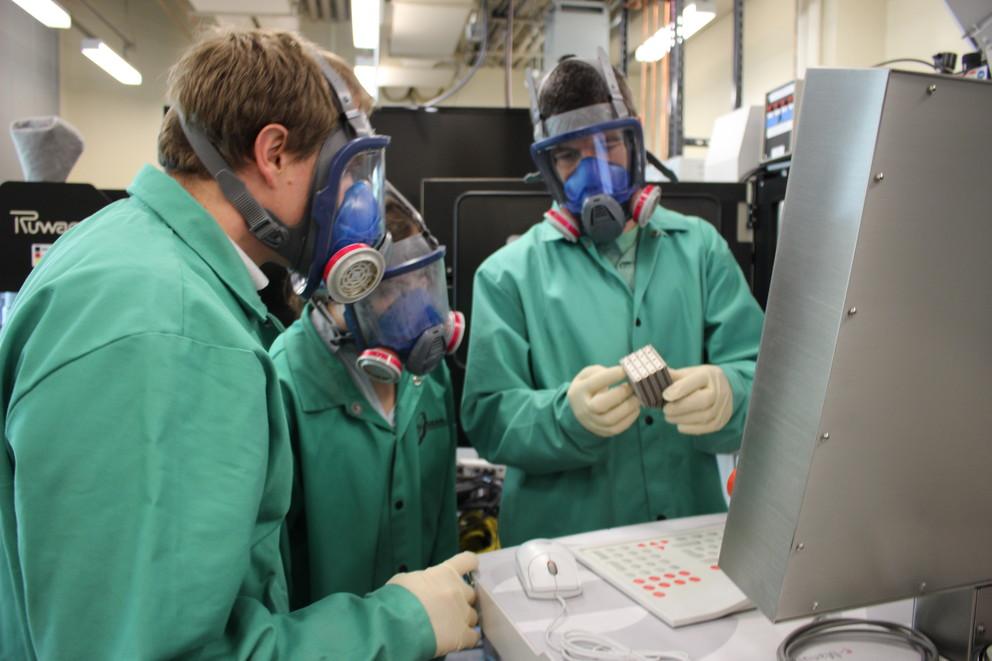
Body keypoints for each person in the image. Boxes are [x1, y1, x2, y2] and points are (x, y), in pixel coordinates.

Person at [0, 29, 477, 660]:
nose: (361, 201)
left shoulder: (138, 264)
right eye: (352, 168)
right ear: (274, 152)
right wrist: (400, 622)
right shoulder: (166, 325)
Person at [460, 50, 765, 547]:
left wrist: (732, 392)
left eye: (606, 145)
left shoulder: (701, 249)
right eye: (569, 155)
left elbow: (765, 378)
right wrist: (566, 417)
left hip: (689, 543)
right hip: (566, 558)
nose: (591, 170)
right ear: (548, 168)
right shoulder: (506, 277)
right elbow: (490, 420)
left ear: (634, 142)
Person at [271, 184, 463, 606]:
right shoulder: (284, 382)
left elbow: (441, 516)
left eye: (418, 282)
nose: (411, 306)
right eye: (386, 291)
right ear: (329, 295)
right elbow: (273, 568)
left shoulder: (426, 375)